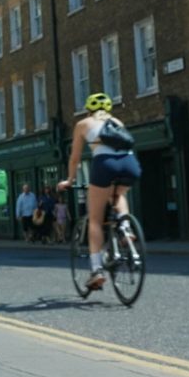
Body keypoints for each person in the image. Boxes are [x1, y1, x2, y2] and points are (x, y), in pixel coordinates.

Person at [57, 92, 142, 290]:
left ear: (89, 110)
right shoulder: (117, 121)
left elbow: (75, 158)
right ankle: (125, 228)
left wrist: (70, 180)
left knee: (95, 220)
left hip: (105, 164)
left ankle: (96, 270)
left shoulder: (83, 124)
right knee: (118, 194)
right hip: (130, 163)